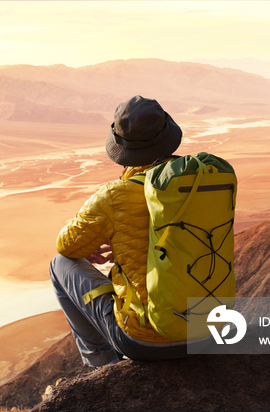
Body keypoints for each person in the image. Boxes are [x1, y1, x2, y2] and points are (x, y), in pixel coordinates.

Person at [50, 95, 192, 368]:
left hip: (146, 341)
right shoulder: (201, 183)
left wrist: (113, 240)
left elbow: (66, 246)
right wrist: (129, 245)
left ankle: (101, 368)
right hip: (209, 330)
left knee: (59, 264)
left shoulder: (117, 195)